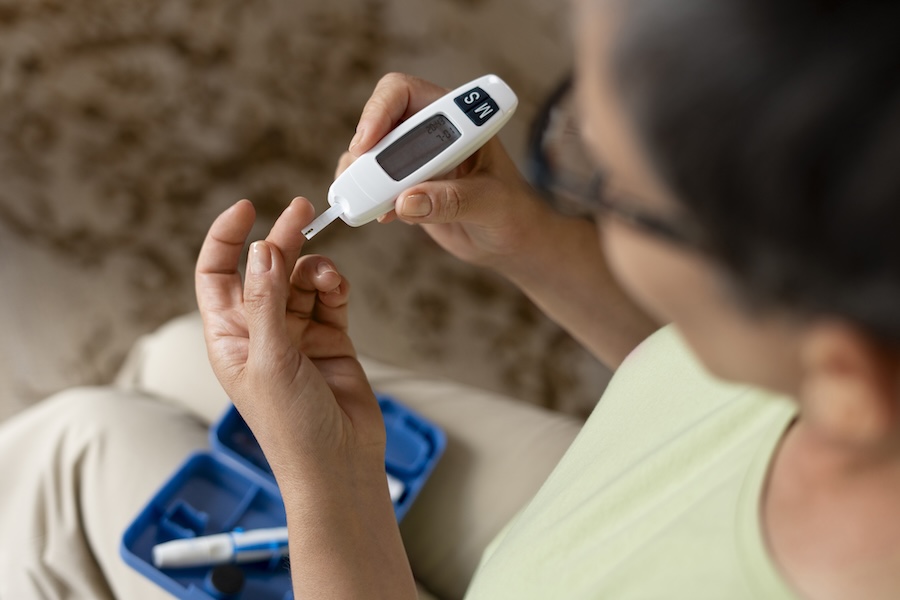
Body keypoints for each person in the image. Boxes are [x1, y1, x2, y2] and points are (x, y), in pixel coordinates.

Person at [2, 0, 899, 598]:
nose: (575, 177)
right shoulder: (849, 330)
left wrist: (333, 486)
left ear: (842, 373)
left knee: (76, 451)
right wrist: (532, 240)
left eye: (607, 183)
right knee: (171, 358)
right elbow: (712, 379)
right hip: (622, 493)